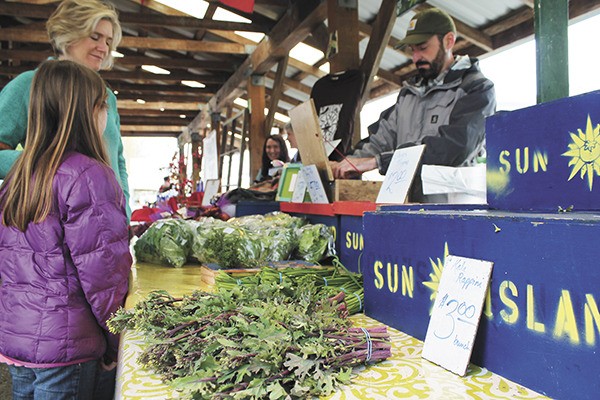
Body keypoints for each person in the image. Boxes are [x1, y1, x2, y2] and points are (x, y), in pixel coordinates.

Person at [0, 60, 131, 400]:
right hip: (70, 349)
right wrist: (119, 340)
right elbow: (104, 276)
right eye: (104, 105)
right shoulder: (89, 176)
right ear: (87, 112)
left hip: (20, 344)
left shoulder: (19, 177)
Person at [330, 8, 496, 202]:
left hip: (453, 210)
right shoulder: (408, 94)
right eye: (413, 50)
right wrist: (347, 163)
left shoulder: (476, 88)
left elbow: (455, 147)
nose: (416, 58)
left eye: (423, 47)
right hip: (406, 204)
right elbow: (380, 139)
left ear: (448, 41)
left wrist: (378, 162)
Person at [0, 0, 131, 218]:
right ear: (68, 34)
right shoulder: (29, 85)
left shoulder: (106, 95)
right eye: (95, 37)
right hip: (50, 226)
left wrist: (124, 211)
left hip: (105, 223)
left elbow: (117, 159)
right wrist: (51, 167)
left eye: (108, 41)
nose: (104, 48)